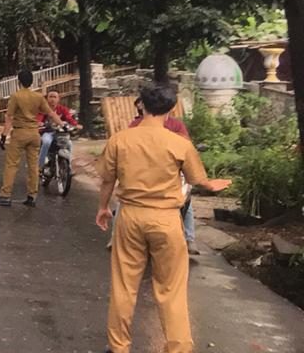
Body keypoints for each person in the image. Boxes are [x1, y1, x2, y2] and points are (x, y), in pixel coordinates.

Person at [96, 82, 229, 353]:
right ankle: (178, 348)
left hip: (130, 216)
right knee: (171, 290)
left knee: (124, 286)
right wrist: (212, 183)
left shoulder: (120, 139)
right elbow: (198, 180)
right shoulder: (179, 143)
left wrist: (103, 208)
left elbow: (107, 180)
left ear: (141, 105)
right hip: (167, 219)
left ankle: (119, 347)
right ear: (171, 108)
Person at [126, 96, 199, 254]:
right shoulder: (136, 124)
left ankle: (190, 238)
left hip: (171, 172)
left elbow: (186, 143)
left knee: (187, 201)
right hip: (143, 173)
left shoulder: (176, 124)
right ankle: (115, 236)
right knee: (123, 202)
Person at [0, 68, 55, 208]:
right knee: (33, 166)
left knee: (12, 164)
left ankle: (5, 195)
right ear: (31, 82)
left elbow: (9, 117)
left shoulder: (16, 96)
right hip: (34, 134)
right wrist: (62, 124)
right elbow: (50, 113)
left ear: (19, 82)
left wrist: (3, 135)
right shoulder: (38, 97)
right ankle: (32, 196)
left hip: (20, 133)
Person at [37, 88, 81, 169]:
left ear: (58, 99)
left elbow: (69, 118)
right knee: (46, 142)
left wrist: (76, 125)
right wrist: (39, 123)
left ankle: (69, 166)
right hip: (48, 132)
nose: (52, 99)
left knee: (69, 144)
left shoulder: (62, 109)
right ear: (47, 98)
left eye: (55, 97)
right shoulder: (43, 109)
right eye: (50, 97)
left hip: (60, 133)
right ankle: (41, 164)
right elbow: (39, 119)